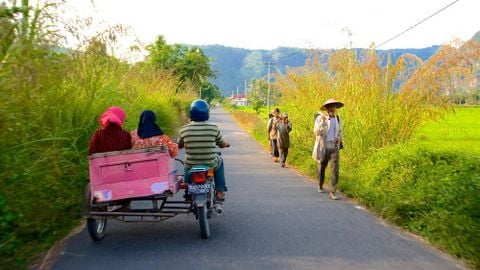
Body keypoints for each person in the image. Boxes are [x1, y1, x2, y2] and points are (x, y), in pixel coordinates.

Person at [178, 100, 230, 200]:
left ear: (191, 114)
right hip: (210, 165)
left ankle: (188, 188)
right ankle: (219, 190)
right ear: (207, 113)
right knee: (220, 159)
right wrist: (226, 144)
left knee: (186, 163)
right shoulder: (214, 128)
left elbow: (179, 146)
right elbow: (222, 144)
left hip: (191, 164)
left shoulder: (184, 130)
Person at [312, 99, 344, 200]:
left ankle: (332, 191)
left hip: (334, 147)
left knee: (335, 170)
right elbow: (316, 132)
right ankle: (320, 184)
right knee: (322, 167)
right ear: (327, 108)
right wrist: (322, 122)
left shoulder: (338, 118)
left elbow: (340, 131)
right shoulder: (321, 118)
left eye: (334, 106)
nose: (332, 108)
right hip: (323, 146)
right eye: (330, 107)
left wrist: (339, 139)